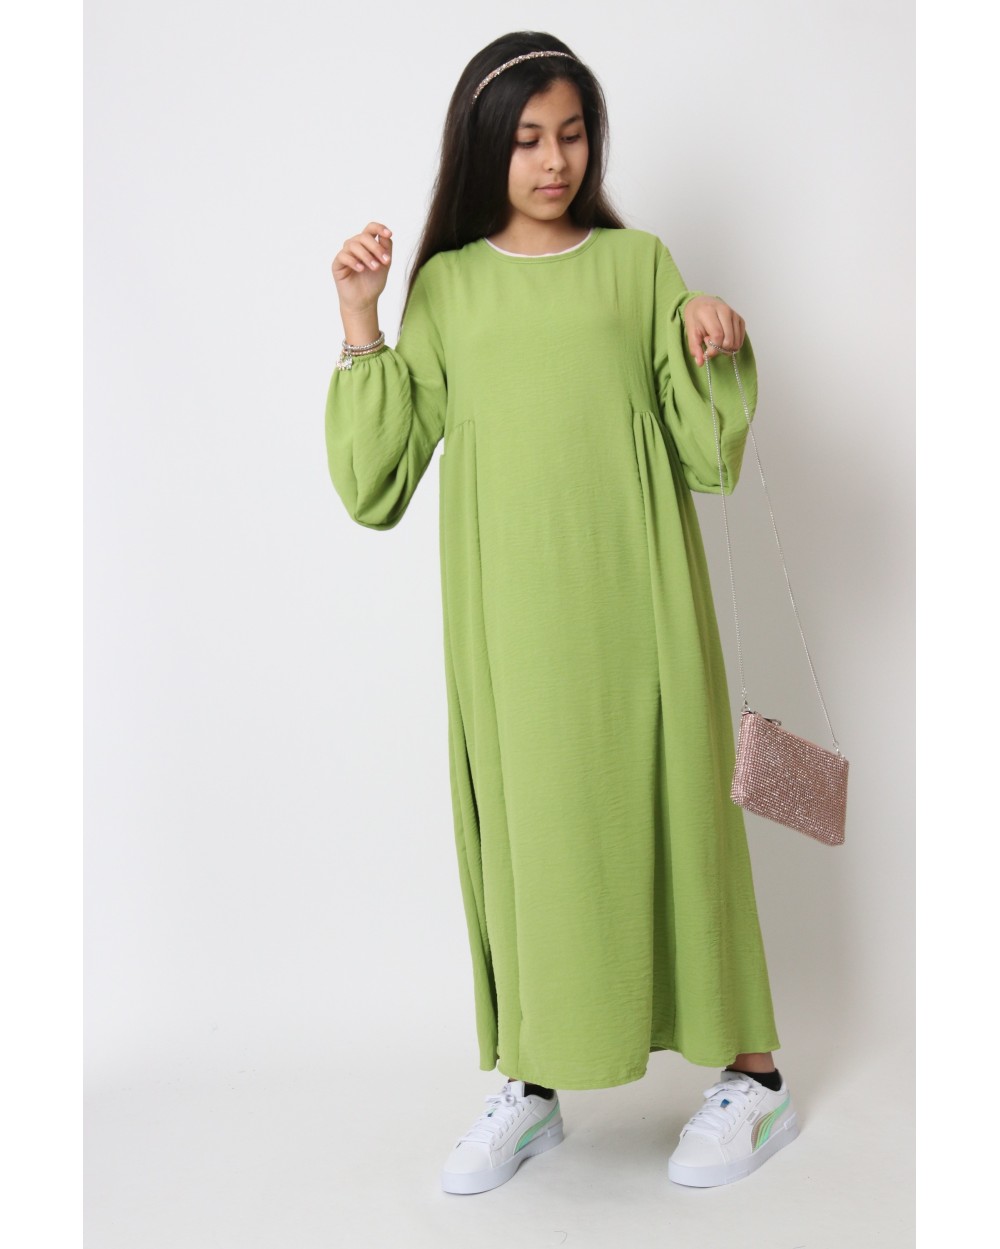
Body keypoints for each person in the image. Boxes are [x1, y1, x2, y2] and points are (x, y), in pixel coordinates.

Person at [324, 31, 799, 1195]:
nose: (552, 161)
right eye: (528, 139)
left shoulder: (639, 267)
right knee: (530, 837)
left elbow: (707, 452)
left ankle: (754, 1079)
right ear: (484, 148)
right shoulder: (448, 287)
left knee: (682, 820)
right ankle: (531, 1086)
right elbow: (376, 481)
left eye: (572, 135)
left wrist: (711, 333)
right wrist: (360, 319)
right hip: (512, 631)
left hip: (645, 611)